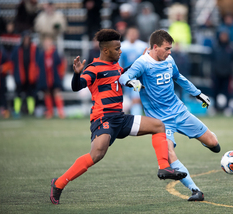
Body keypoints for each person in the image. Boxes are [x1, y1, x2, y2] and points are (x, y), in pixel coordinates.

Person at [49, 29, 187, 205]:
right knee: (97, 154)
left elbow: (125, 73)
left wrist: (142, 59)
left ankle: (164, 168)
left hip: (120, 119)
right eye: (117, 48)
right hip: (104, 119)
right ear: (106, 50)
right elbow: (78, 86)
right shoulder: (93, 68)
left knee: (158, 126)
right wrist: (77, 74)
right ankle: (59, 183)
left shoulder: (116, 66)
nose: (120, 51)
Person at [119, 30, 221, 201]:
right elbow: (124, 76)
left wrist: (198, 94)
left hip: (179, 111)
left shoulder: (169, 60)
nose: (170, 52)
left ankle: (204, 140)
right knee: (169, 153)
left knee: (214, 144)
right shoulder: (143, 63)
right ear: (155, 47)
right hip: (161, 121)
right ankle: (196, 191)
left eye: (170, 48)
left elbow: (179, 78)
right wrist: (131, 82)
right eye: (167, 49)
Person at [10, 31, 39, 117]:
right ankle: (16, 111)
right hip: (20, 75)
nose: (26, 40)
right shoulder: (17, 49)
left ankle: (31, 111)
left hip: (30, 76)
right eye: (25, 38)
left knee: (31, 94)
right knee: (18, 94)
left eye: (28, 38)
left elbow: (37, 62)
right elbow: (12, 62)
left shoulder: (34, 48)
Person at [119, 27, 147, 115]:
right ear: (127, 35)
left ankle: (137, 118)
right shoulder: (122, 46)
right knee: (127, 99)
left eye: (134, 33)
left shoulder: (142, 46)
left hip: (138, 77)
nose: (132, 36)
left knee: (136, 98)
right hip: (126, 76)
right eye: (131, 33)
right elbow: (119, 63)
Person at [36, 36, 66, 119]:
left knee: (57, 93)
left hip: (55, 77)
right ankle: (50, 111)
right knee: (47, 93)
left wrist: (60, 75)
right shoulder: (42, 54)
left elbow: (61, 65)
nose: (47, 45)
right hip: (45, 78)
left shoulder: (55, 53)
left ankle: (61, 112)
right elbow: (38, 67)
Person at [211, 28, 233, 112]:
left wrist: (230, 71)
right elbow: (212, 60)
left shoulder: (231, 48)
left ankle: (227, 107)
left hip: (227, 73)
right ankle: (215, 107)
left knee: (227, 92)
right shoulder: (215, 47)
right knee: (215, 91)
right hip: (217, 73)